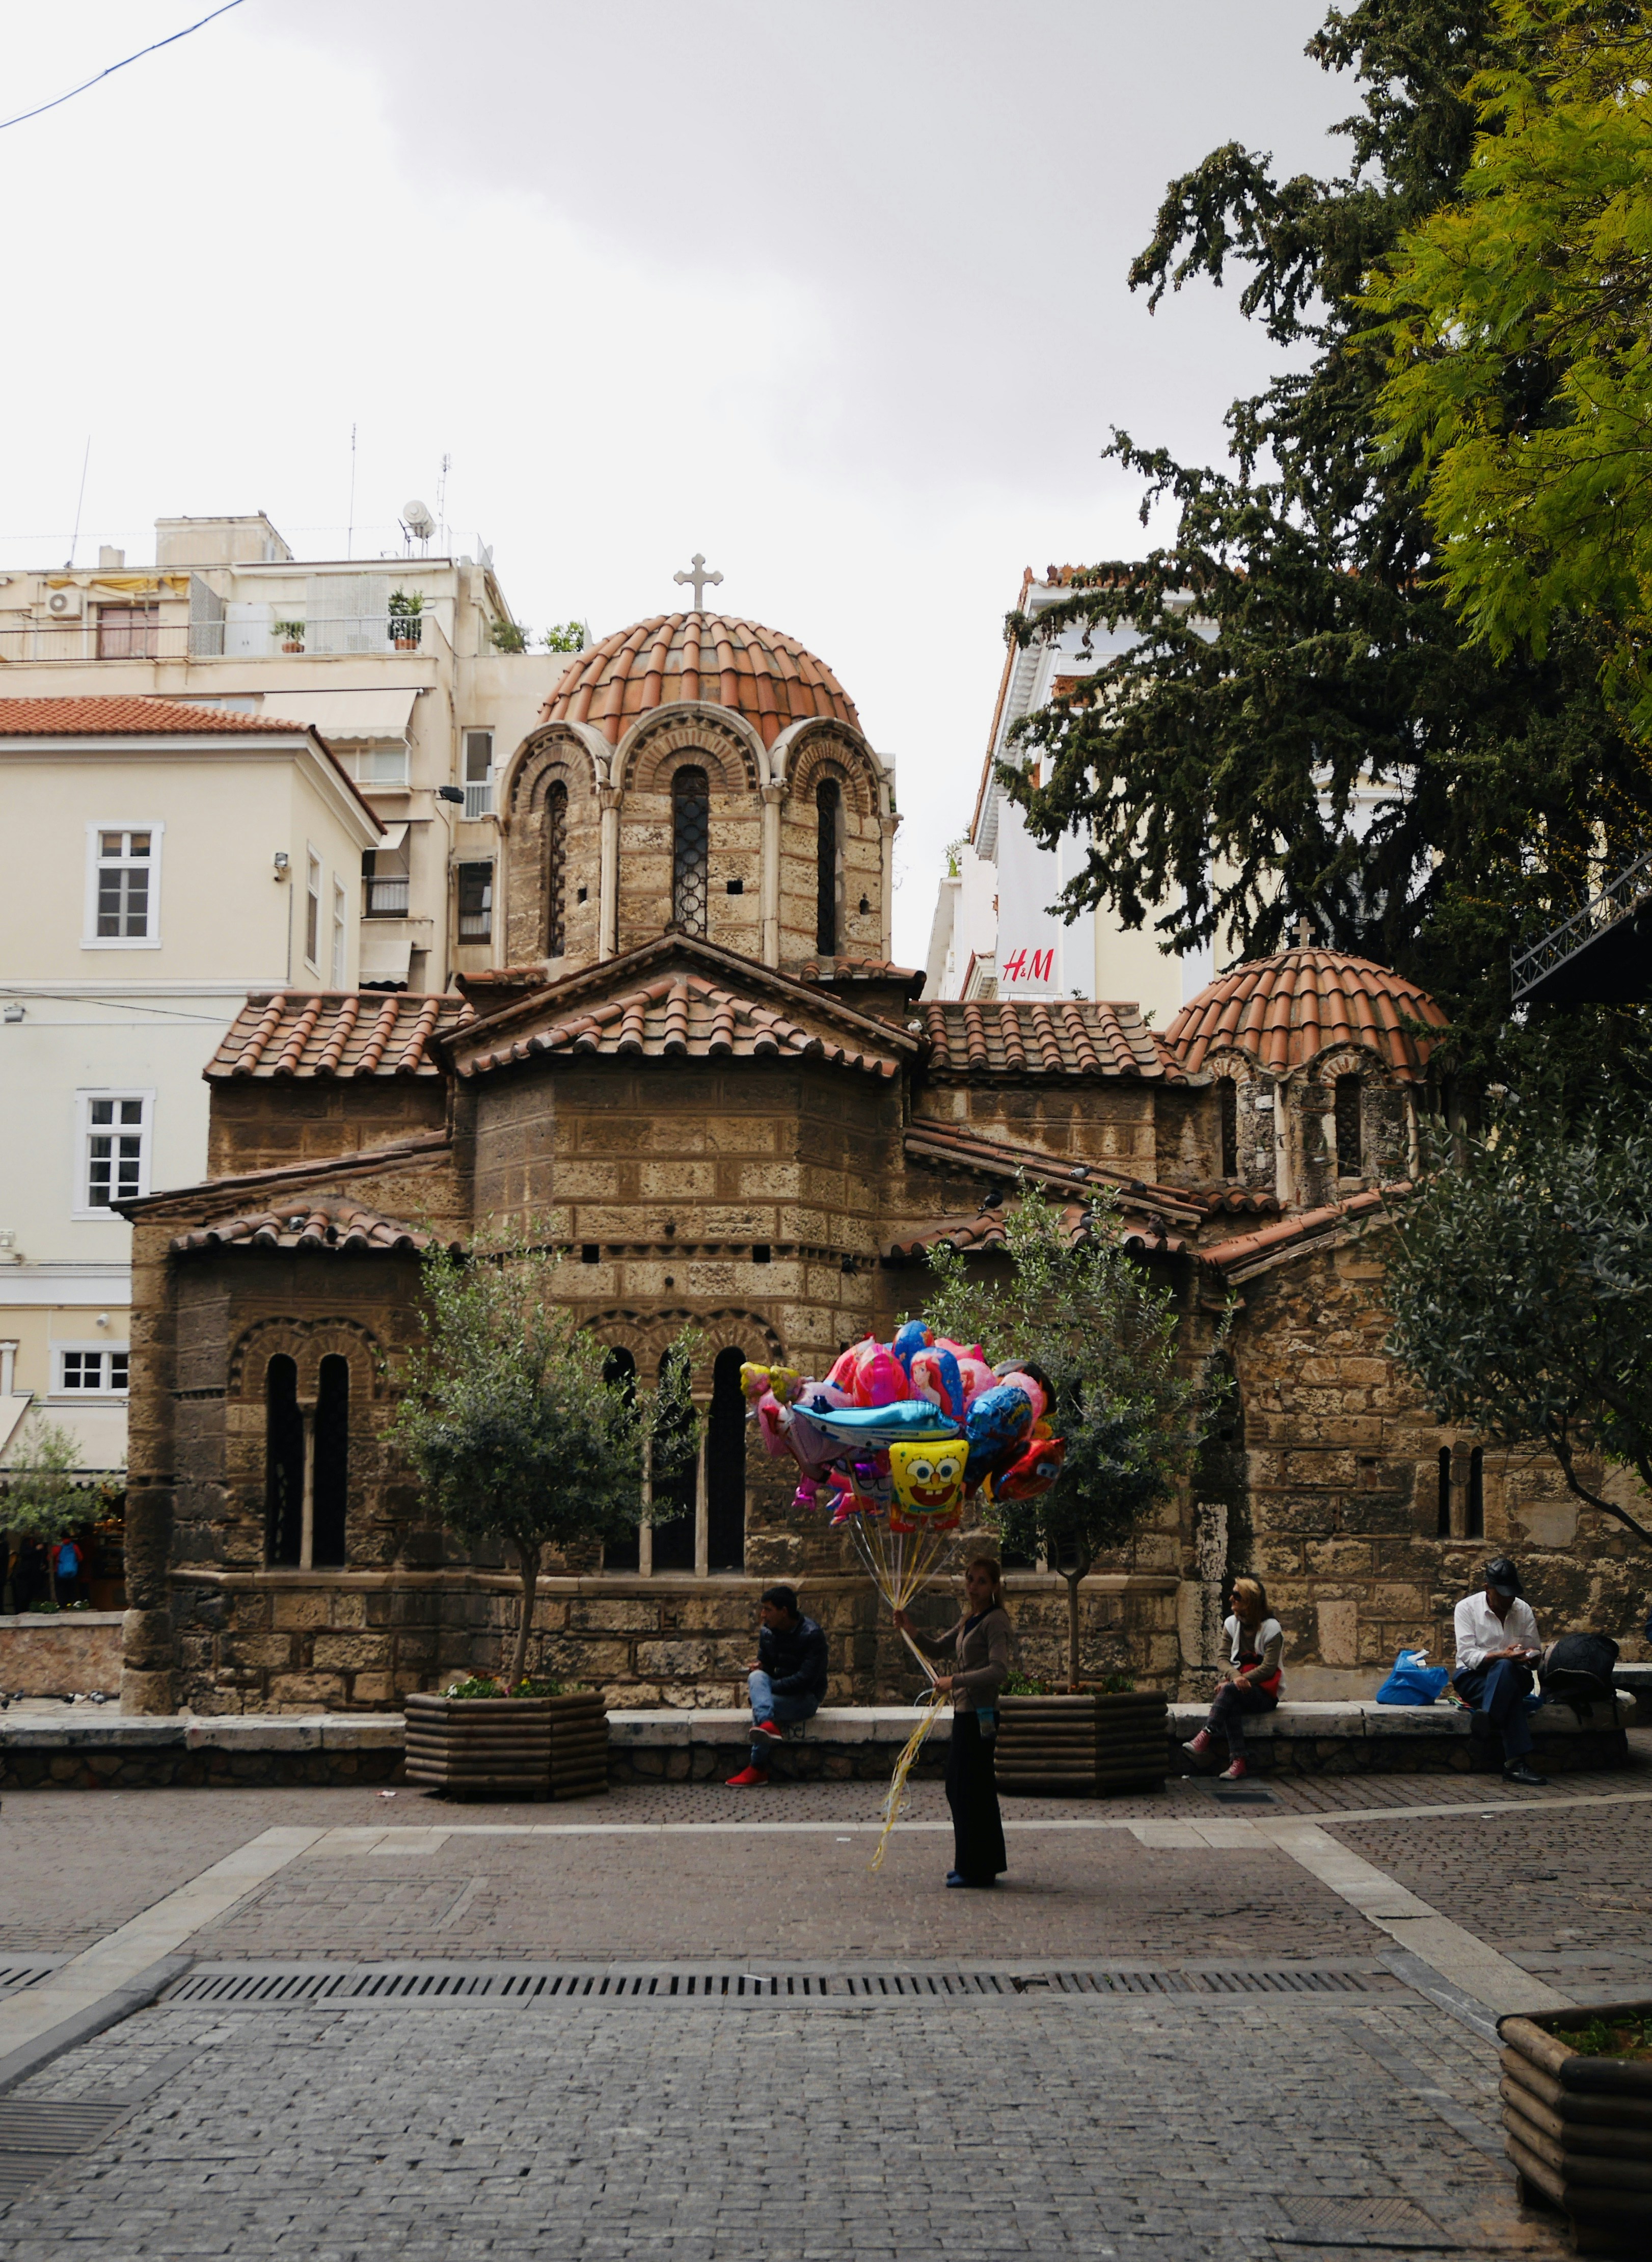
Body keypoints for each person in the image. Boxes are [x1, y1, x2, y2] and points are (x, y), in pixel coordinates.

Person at [893, 1556, 1013, 1889]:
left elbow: (999, 1670)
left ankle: (978, 1868)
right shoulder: (969, 1620)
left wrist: (955, 1681)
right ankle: (975, 1863)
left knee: (969, 1788)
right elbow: (936, 1648)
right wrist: (908, 1627)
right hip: (965, 1713)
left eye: (981, 1581)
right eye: (970, 1579)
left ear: (994, 1587)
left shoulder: (995, 1621)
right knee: (964, 1788)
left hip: (981, 1714)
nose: (973, 1587)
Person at [1453, 1557, 1547, 1787]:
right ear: (1488, 1589)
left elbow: (1535, 1650)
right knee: (1507, 1684)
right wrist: (1502, 1656)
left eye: (1511, 1594)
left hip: (1516, 1674)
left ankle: (1487, 1721)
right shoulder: (1466, 1609)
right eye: (1502, 1594)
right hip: (1473, 1678)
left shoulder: (1522, 1609)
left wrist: (1530, 1657)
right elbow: (1468, 1656)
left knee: (1507, 1672)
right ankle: (1516, 1764)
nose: (1508, 1600)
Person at [725, 1585, 829, 1788]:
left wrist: (768, 1690)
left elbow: (806, 1680)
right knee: (756, 1677)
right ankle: (767, 1725)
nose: (763, 1615)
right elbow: (767, 1665)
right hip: (777, 1693)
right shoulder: (768, 1632)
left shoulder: (812, 1634)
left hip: (806, 1698)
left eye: (768, 1610)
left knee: (762, 1707)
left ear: (784, 1611)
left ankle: (757, 1768)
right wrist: (762, 1666)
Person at [1182, 1575, 1284, 1781]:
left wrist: (1236, 1681)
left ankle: (1207, 1734)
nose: (1231, 1599)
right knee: (1231, 1703)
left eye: (1237, 1596)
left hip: (1264, 1694)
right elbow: (1222, 1658)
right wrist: (1237, 1678)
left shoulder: (1272, 1629)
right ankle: (1239, 1762)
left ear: (1249, 1601)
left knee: (1228, 1691)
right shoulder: (1231, 1624)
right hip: (1240, 1689)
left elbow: (1269, 1668)